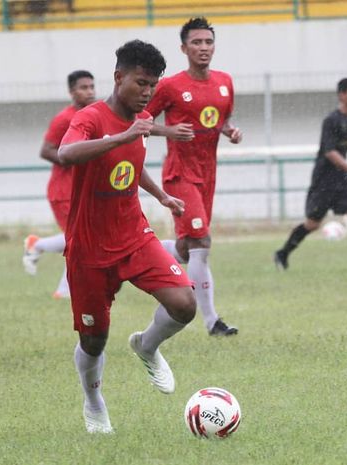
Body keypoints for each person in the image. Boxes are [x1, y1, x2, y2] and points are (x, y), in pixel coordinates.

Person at [57, 40, 196, 434]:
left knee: (184, 303)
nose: (148, 92)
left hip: (134, 236)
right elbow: (67, 155)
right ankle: (94, 400)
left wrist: (161, 195)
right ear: (119, 78)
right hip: (88, 251)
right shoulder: (90, 118)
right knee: (94, 340)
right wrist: (123, 136)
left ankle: (147, 346)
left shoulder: (141, 119)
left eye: (153, 85)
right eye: (141, 83)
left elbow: (131, 165)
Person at [146, 17, 242, 337]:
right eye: (197, 43)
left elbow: (220, 117)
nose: (203, 48)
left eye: (208, 42)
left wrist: (229, 131)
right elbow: (141, 121)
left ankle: (138, 250)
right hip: (180, 174)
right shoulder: (171, 86)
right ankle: (212, 321)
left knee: (188, 247)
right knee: (202, 242)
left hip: (208, 174)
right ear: (184, 48)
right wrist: (168, 130)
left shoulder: (225, 81)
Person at [274, 78, 347, 270]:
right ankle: (282, 253)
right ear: (342, 95)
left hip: (341, 179)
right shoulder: (331, 120)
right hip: (324, 180)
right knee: (312, 224)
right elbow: (330, 152)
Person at [22, 70, 96, 299]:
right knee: (80, 239)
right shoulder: (65, 118)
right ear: (71, 91)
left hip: (80, 189)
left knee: (82, 240)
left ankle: (63, 288)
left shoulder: (93, 114)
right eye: (83, 87)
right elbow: (46, 150)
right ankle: (39, 246)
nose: (90, 91)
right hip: (64, 191)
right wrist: (72, 159)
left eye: (92, 86)